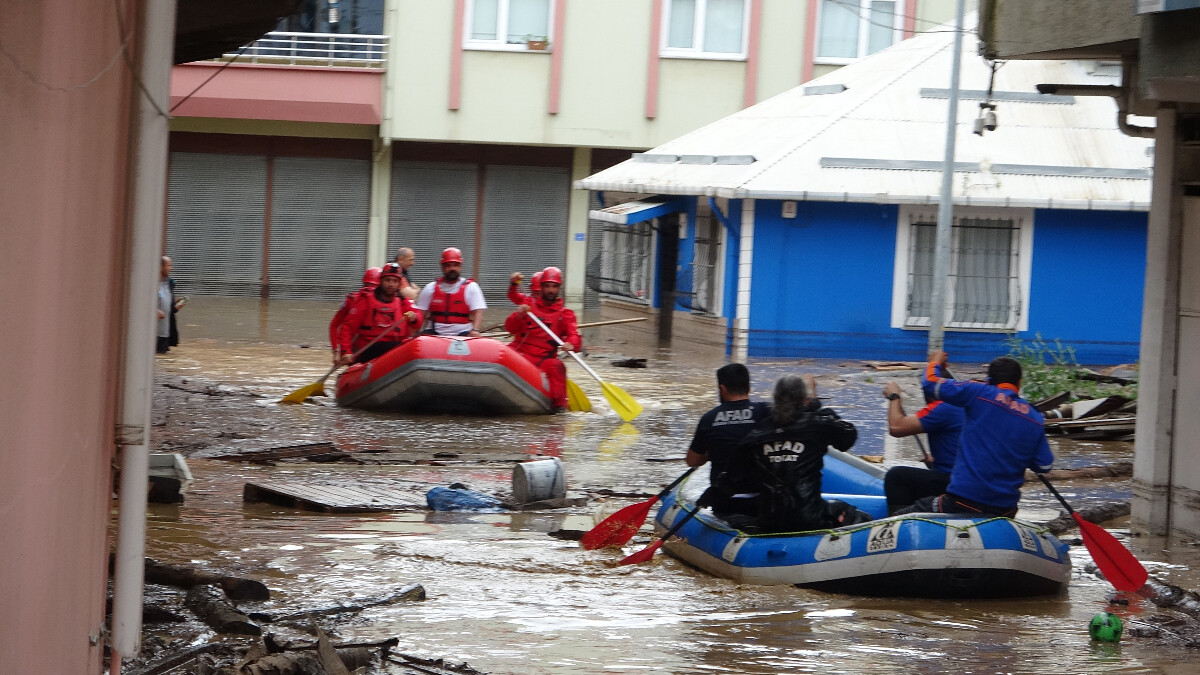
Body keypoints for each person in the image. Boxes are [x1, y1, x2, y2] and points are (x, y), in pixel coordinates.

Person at [894, 351, 1054, 518]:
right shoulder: (1035, 417)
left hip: (963, 502)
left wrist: (934, 362)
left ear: (989, 381)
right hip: (1006, 510)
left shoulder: (980, 392)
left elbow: (931, 384)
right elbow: (1044, 465)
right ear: (1019, 383)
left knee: (901, 513)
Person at [739, 375, 867, 532]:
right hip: (810, 518)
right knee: (851, 513)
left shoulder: (757, 433)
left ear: (774, 400)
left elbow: (731, 478)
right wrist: (819, 409)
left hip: (769, 520)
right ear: (805, 400)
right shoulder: (818, 424)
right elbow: (847, 438)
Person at [685, 363, 772, 521]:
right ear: (749, 387)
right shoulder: (766, 412)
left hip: (724, 504)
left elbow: (692, 461)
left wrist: (710, 452)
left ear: (722, 389)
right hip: (762, 502)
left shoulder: (709, 418)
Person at [880, 380, 964, 514]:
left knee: (896, 477)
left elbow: (896, 427)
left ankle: (898, 525)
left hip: (955, 482)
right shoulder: (968, 406)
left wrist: (894, 397)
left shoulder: (944, 408)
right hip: (968, 478)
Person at [504, 266, 581, 412]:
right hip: (520, 353)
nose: (550, 290)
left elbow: (574, 335)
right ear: (541, 287)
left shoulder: (565, 314)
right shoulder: (528, 305)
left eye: (554, 286)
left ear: (559, 288)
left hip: (543, 359)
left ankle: (558, 410)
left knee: (558, 367)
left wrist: (571, 343)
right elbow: (510, 328)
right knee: (501, 355)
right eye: (547, 286)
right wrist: (518, 315)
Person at [332, 263, 422, 364]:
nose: (391, 284)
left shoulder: (403, 302)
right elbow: (347, 328)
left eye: (395, 281)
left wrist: (414, 318)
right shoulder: (365, 300)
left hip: (395, 349)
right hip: (369, 349)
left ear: (399, 284)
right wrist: (345, 351)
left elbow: (418, 320)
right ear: (381, 281)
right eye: (387, 280)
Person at [415, 247, 487, 337]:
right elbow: (421, 314)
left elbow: (478, 312)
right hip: (434, 333)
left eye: (455, 265)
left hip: (463, 333)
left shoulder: (471, 287)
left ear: (460, 266)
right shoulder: (430, 288)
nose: (452, 268)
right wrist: (415, 334)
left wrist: (475, 330)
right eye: (448, 265)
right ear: (442, 267)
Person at [329, 267, 381, 350]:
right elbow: (334, 325)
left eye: (373, 286)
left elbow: (334, 325)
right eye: (368, 286)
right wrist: (336, 350)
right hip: (355, 349)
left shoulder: (390, 303)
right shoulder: (352, 300)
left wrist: (336, 349)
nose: (370, 289)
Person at [156, 256, 185, 354]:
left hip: (165, 333)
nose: (171, 268)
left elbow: (170, 309)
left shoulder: (169, 284)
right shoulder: (152, 284)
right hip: (154, 333)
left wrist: (176, 306)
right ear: (160, 267)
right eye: (169, 265)